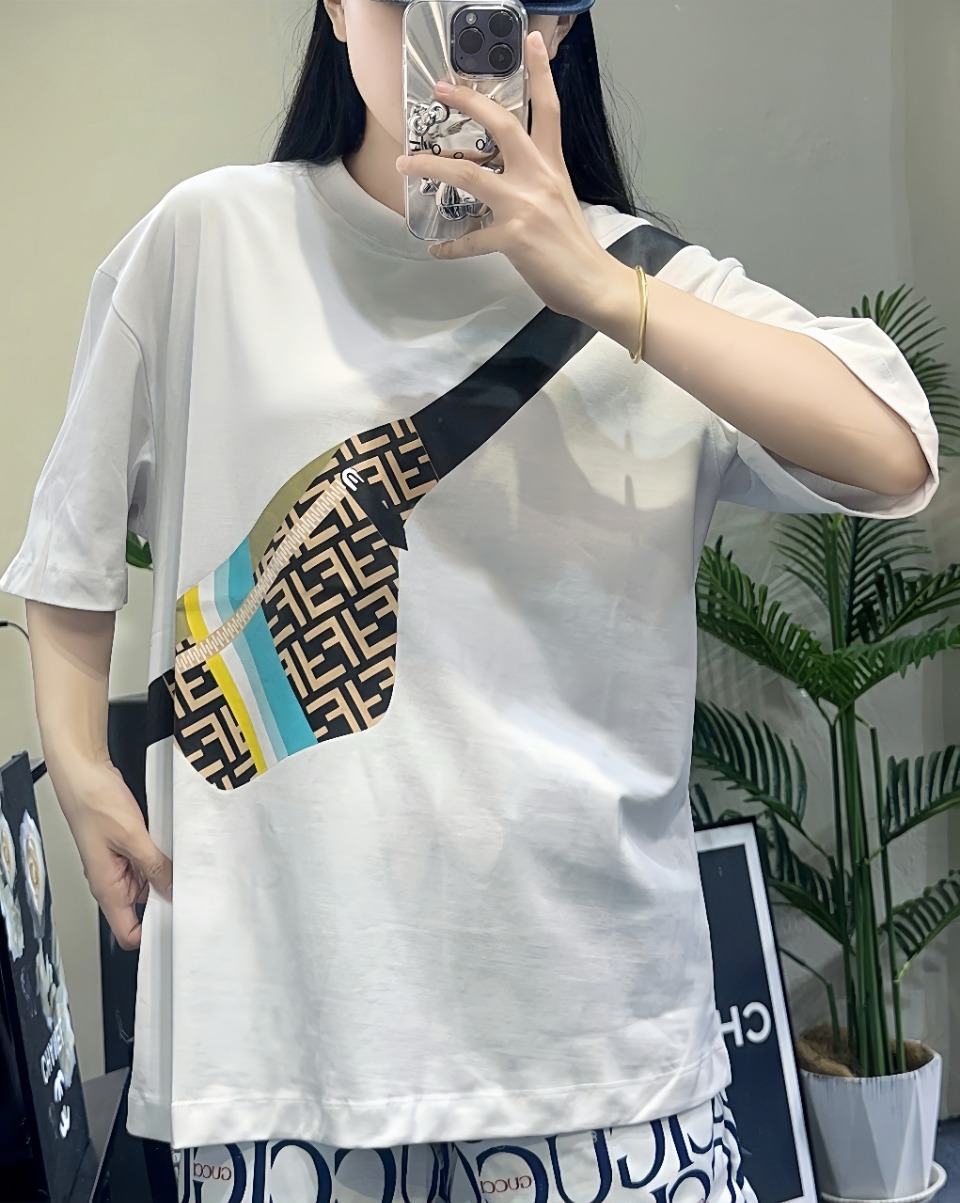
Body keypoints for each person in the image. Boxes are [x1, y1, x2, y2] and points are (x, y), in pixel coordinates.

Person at [1, 0, 939, 1200]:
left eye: (494, 5)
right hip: (284, 1052)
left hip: (597, 1049)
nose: (449, 35)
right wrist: (79, 764)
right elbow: (72, 537)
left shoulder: (647, 276)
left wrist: (597, 286)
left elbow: (895, 452)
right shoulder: (209, 241)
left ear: (552, 31)